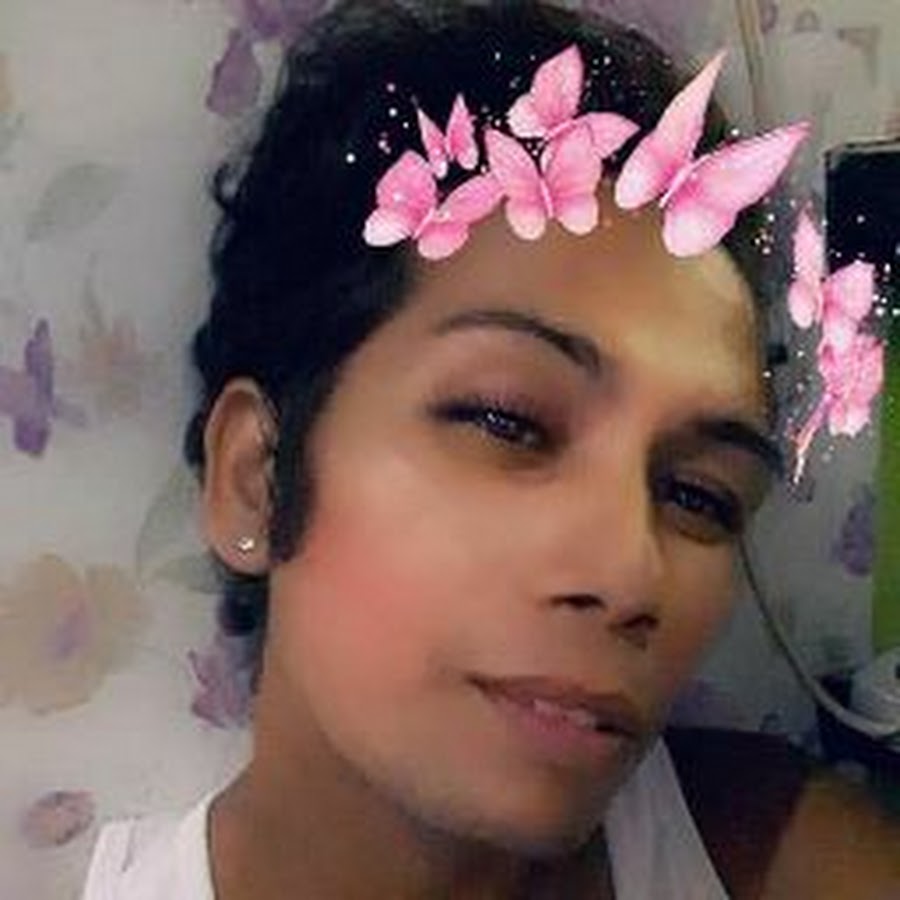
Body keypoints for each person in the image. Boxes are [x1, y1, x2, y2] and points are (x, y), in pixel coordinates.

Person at [81, 1, 900, 897]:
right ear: (258, 480)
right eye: (508, 421)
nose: (631, 578)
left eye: (700, 496)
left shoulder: (783, 855)